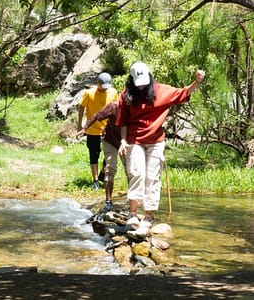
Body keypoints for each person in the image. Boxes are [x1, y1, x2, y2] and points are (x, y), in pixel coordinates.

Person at [116, 61, 205, 223]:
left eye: (144, 84)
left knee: (152, 177)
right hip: (134, 139)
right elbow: (123, 121)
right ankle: (133, 213)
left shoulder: (161, 91)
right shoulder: (126, 95)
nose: (141, 87)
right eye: (138, 84)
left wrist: (197, 81)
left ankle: (149, 216)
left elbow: (184, 93)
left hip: (156, 141)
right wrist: (122, 140)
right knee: (136, 173)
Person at [76, 100, 126, 211]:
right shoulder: (113, 106)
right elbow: (96, 116)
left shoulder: (136, 108)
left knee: (131, 170)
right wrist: (84, 128)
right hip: (110, 139)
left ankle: (133, 200)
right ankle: (108, 201)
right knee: (110, 168)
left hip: (126, 142)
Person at [77, 72, 118, 190]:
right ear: (98, 83)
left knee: (109, 155)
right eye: (102, 86)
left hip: (108, 129)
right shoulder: (89, 93)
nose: (105, 89)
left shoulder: (113, 92)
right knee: (94, 154)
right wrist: (80, 125)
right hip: (92, 129)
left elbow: (115, 107)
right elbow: (81, 107)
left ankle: (103, 173)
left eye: (107, 87)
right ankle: (95, 180)